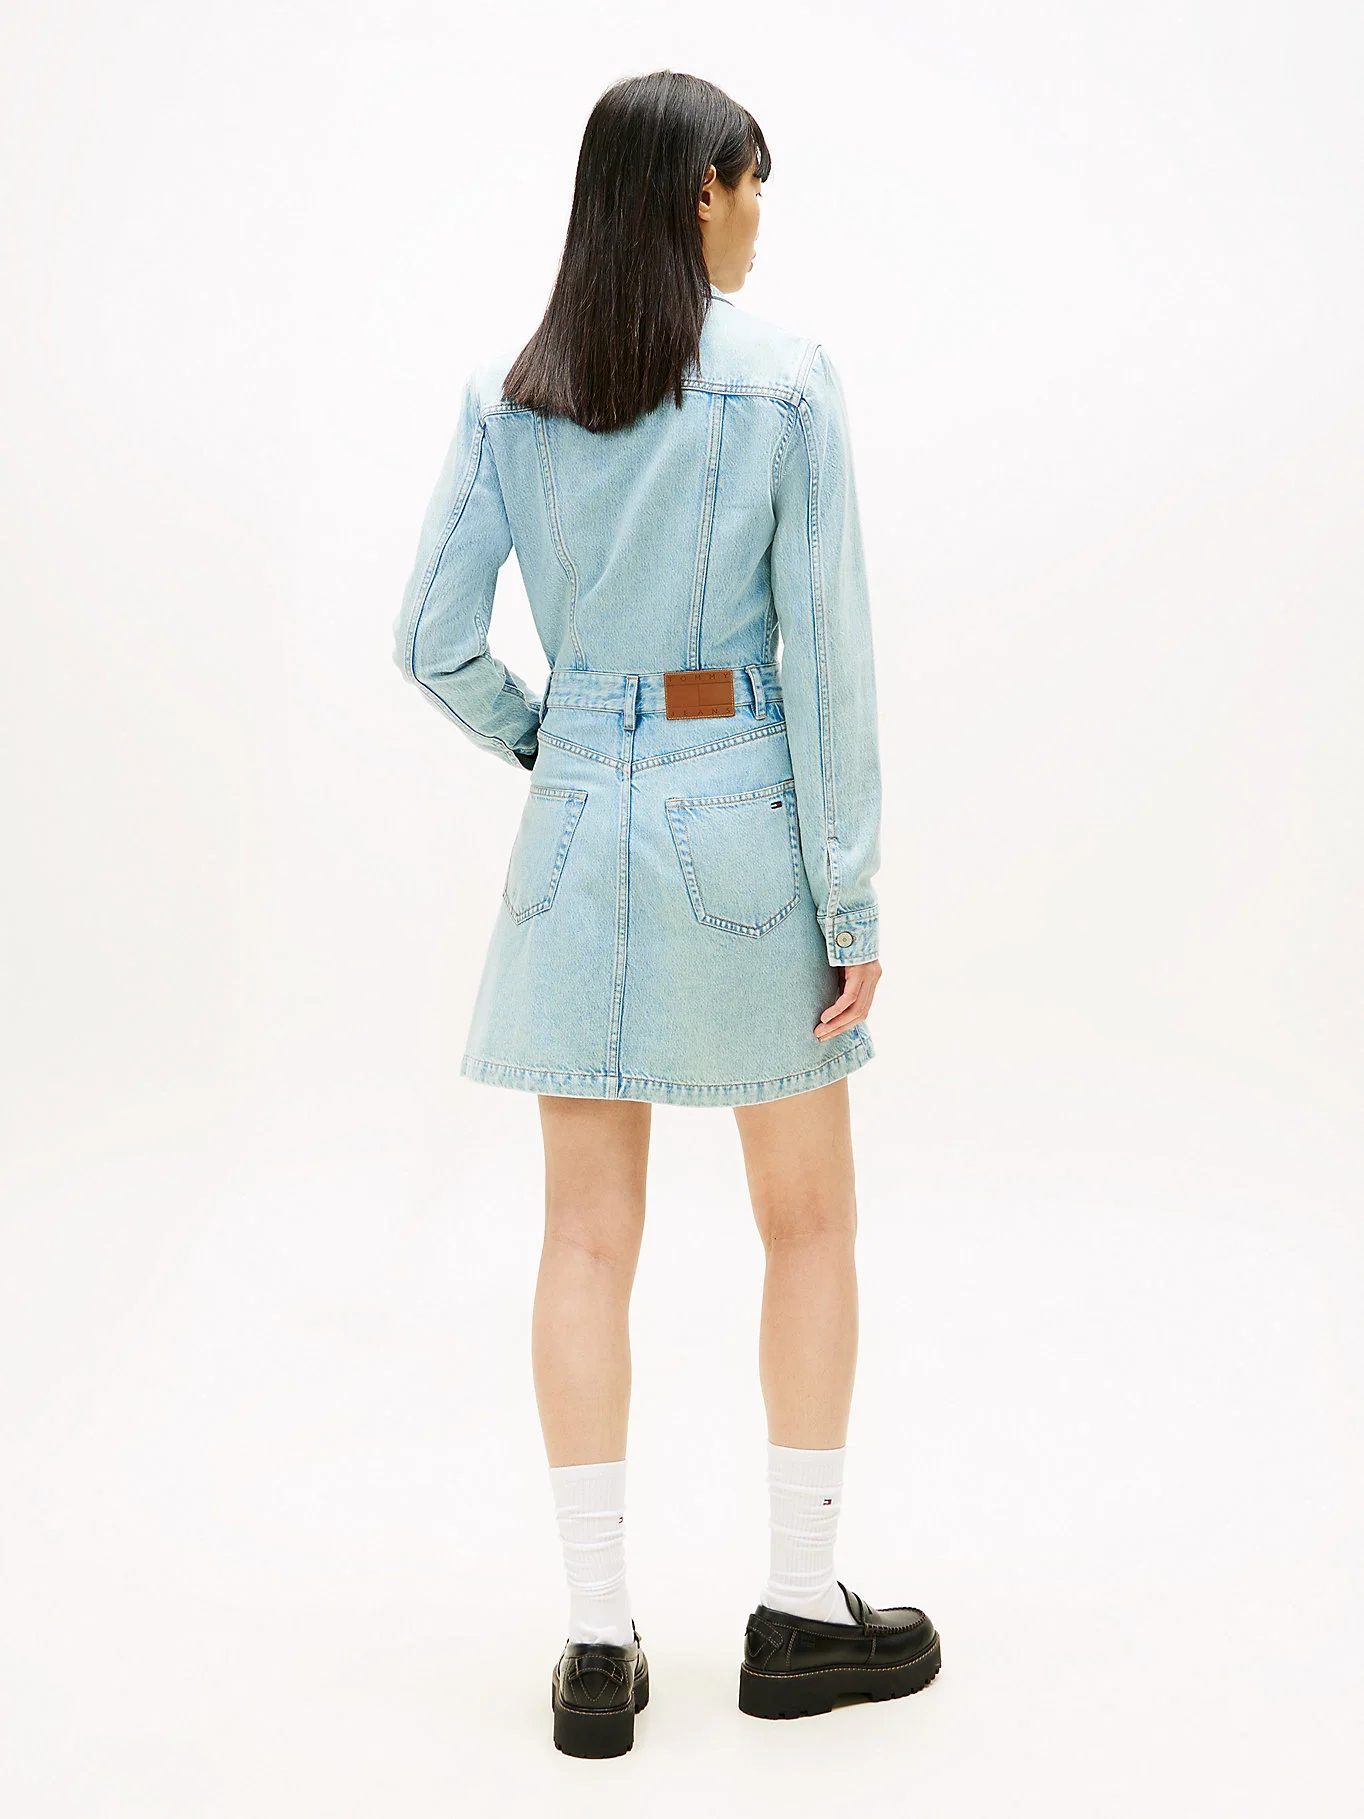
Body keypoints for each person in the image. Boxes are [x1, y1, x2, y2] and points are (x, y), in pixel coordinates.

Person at [392, 69, 940, 1758]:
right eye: (750, 186)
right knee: (812, 1223)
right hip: (741, 823)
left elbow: (430, 639)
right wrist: (850, 889)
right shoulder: (784, 382)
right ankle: (798, 1603)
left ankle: (593, 1642)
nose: (759, 218)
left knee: (582, 1239)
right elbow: (824, 656)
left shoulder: (513, 391)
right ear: (699, 189)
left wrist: (549, 741)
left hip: (578, 832)